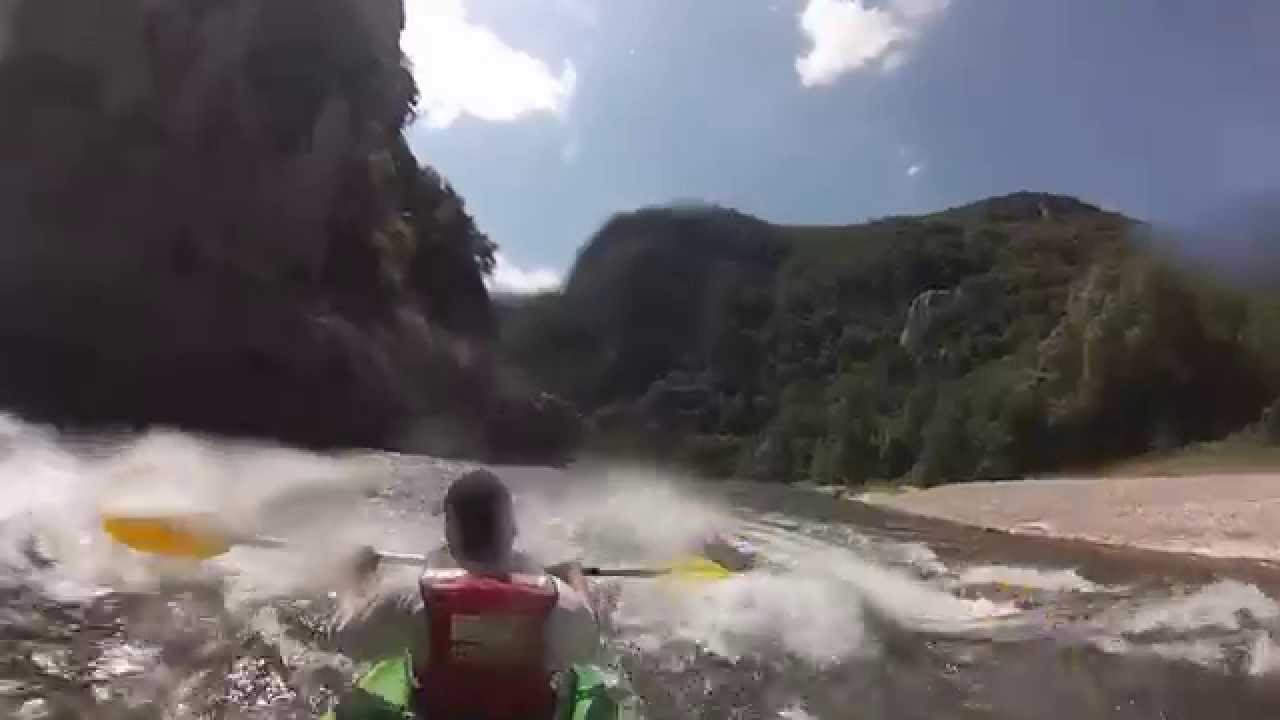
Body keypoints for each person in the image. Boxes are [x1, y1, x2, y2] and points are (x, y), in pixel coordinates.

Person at [374, 469, 601, 720]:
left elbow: (342, 638)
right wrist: (573, 576)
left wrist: (359, 578)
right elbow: (589, 644)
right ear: (512, 531)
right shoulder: (561, 602)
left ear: (451, 532)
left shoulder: (413, 597)